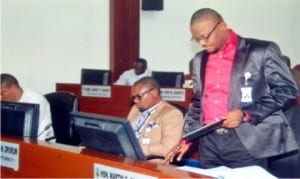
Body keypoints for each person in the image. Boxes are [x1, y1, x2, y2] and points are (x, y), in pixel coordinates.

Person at [163, 8, 299, 170]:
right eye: (196, 39)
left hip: (246, 141)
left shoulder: (261, 51)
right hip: (209, 144)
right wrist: (186, 139)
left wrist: (246, 114)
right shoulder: (199, 60)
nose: (202, 43)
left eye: (205, 37)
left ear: (222, 26)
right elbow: (198, 103)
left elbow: (287, 89)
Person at [127, 77, 184, 162]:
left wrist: (139, 149)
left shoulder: (172, 114)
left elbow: (168, 148)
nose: (135, 101)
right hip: (128, 157)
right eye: (133, 97)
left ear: (154, 93)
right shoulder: (135, 109)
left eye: (139, 96)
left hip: (152, 164)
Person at [0, 73, 54, 141]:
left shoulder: (36, 100)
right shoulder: (6, 100)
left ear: (13, 87)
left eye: (2, 93)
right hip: (13, 141)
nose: (0, 97)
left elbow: (27, 131)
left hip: (41, 143)